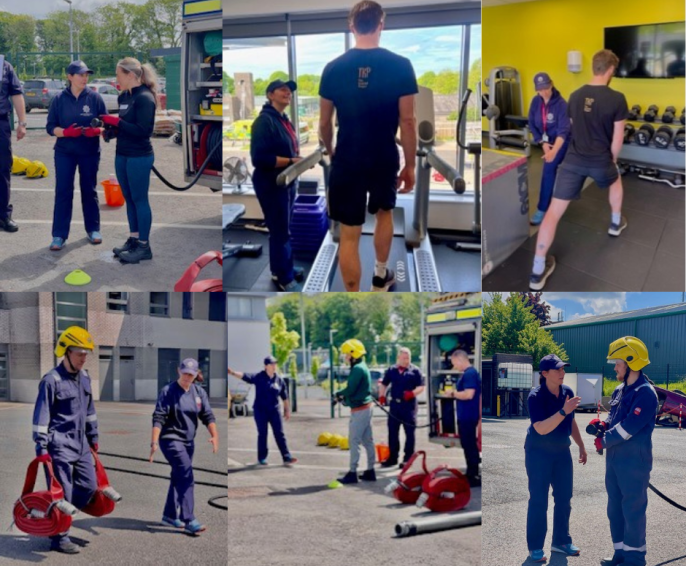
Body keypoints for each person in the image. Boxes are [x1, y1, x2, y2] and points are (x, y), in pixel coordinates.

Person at [319, 0, 418, 292]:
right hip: (383, 155)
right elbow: (408, 121)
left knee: (349, 233)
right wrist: (410, 165)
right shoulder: (401, 65)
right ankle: (379, 276)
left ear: (351, 27)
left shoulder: (332, 68)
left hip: (348, 157)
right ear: (381, 24)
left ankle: (353, 296)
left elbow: (325, 123)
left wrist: (331, 149)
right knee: (384, 213)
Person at [529, 50, 628, 291]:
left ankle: (537, 271)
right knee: (615, 182)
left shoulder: (573, 96)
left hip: (573, 161)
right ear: (610, 70)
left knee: (554, 212)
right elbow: (617, 137)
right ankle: (615, 223)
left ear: (594, 67)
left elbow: (571, 129)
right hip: (600, 159)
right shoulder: (617, 99)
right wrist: (612, 161)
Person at [32, 326, 99, 554]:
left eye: (86, 353)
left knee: (89, 486)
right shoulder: (51, 381)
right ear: (66, 351)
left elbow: (90, 411)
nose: (84, 357)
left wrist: (93, 436)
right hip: (58, 445)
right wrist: (40, 445)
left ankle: (59, 520)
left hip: (81, 445)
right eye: (80, 352)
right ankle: (60, 538)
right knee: (64, 493)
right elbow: (41, 415)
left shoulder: (85, 378)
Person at [594, 337, 658, 566]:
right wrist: (601, 427)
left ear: (631, 361)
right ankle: (620, 552)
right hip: (614, 460)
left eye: (618, 362)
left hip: (634, 462)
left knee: (633, 509)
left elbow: (630, 426)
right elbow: (614, 419)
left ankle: (635, 557)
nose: (615, 367)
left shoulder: (646, 393)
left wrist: (605, 440)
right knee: (615, 508)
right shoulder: (621, 389)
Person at [524, 354, 586, 563]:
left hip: (561, 452)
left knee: (564, 498)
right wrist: (563, 410)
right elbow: (540, 428)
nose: (562, 372)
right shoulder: (535, 396)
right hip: (538, 454)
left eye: (563, 368)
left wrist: (581, 445)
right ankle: (535, 547)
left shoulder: (567, 392)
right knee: (538, 500)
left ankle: (560, 541)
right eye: (557, 369)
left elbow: (571, 421)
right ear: (544, 373)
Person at [99, 57, 157, 264]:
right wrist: (110, 131)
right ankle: (134, 240)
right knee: (130, 200)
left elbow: (143, 131)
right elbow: (124, 127)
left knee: (140, 200)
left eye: (118, 75)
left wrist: (117, 122)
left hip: (139, 156)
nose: (116, 79)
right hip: (122, 154)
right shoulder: (124, 97)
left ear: (131, 75)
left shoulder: (145, 98)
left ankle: (144, 246)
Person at [151, 358, 218, 535]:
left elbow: (207, 415)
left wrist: (214, 435)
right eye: (185, 373)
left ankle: (170, 515)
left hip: (188, 441)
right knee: (186, 475)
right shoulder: (168, 391)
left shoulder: (198, 392)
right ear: (179, 371)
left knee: (178, 476)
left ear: (196, 375)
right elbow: (158, 417)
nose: (188, 376)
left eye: (191, 374)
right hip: (170, 440)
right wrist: (154, 441)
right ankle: (189, 519)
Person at [250, 79, 305, 292]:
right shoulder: (264, 122)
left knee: (283, 229)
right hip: (271, 183)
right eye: (283, 89)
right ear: (270, 94)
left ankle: (282, 268)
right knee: (280, 230)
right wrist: (292, 161)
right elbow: (260, 158)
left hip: (287, 180)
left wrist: (297, 162)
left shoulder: (283, 120)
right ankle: (284, 277)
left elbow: (288, 152)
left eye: (290, 91)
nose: (288, 93)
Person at [46, 60, 107, 251]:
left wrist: (96, 132)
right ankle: (59, 235)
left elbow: (106, 124)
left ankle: (93, 229)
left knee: (89, 190)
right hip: (65, 153)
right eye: (80, 74)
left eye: (86, 74)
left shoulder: (95, 98)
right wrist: (66, 133)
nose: (84, 78)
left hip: (89, 152)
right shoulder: (58, 99)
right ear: (70, 77)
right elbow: (50, 128)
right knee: (63, 191)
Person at [227, 356, 297, 465]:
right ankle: (262, 458)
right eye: (272, 364)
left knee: (279, 433)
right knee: (262, 433)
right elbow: (245, 376)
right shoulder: (259, 377)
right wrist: (232, 373)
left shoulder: (279, 380)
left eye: (275, 364)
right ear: (266, 366)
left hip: (274, 410)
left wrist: (287, 410)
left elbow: (285, 397)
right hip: (260, 411)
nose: (274, 366)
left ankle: (286, 456)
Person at [527, 72, 571, 226]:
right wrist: (542, 143)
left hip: (562, 142)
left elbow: (563, 132)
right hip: (546, 142)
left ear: (551, 84)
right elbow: (532, 123)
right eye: (540, 89)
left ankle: (543, 208)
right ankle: (544, 207)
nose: (544, 92)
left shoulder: (561, 104)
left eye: (546, 87)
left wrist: (553, 151)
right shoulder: (535, 102)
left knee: (549, 167)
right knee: (549, 169)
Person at [334, 339, 376, 484]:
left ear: (353, 354)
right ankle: (370, 470)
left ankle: (353, 472)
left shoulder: (358, 369)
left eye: (347, 354)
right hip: (366, 408)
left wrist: (338, 394)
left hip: (360, 411)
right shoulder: (361, 366)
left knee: (354, 441)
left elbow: (350, 389)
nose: (345, 357)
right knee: (367, 441)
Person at [378, 347, 425, 468]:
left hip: (409, 406)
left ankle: (407, 458)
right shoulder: (392, 370)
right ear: (398, 358)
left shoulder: (415, 371)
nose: (406, 360)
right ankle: (392, 458)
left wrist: (412, 393)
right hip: (394, 405)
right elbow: (384, 384)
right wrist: (381, 396)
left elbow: (421, 387)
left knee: (410, 433)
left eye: (408, 358)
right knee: (393, 432)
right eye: (404, 358)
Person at [447, 350, 482, 487]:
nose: (455, 366)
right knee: (468, 444)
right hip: (468, 415)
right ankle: (471, 472)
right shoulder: (470, 373)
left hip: (467, 416)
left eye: (455, 363)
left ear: (460, 359)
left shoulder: (469, 374)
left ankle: (473, 475)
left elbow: (468, 394)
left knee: (469, 445)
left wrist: (453, 393)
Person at [0, 54, 26, 232]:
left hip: (0, 122)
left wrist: (22, 122)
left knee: (2, 168)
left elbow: (16, 94)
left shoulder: (4, 66)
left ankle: (3, 215)